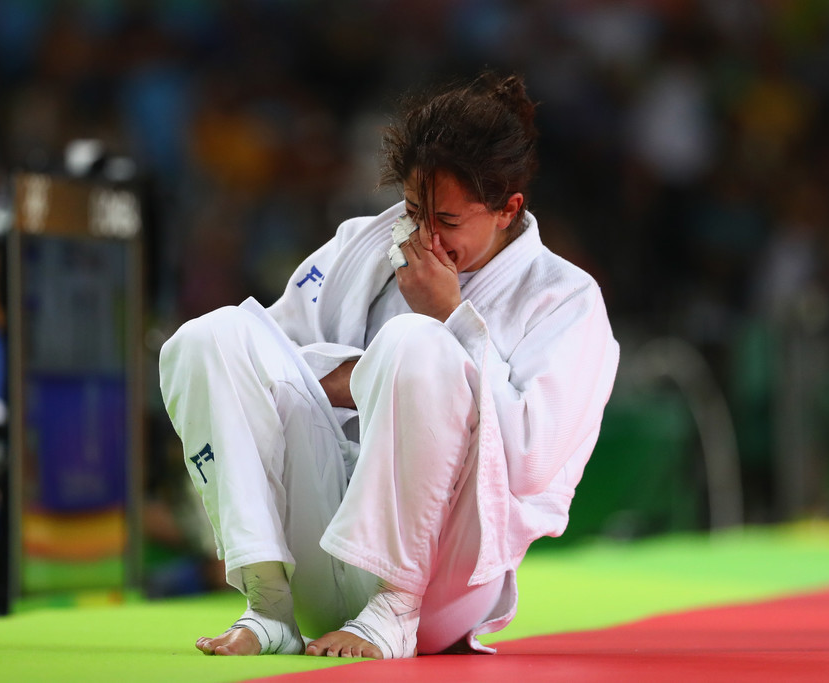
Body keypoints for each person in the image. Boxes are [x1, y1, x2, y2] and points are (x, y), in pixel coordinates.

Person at [159, 72, 620, 659]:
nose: (423, 236)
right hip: (321, 552)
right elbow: (260, 370)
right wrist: (367, 379)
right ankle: (267, 604)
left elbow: (531, 462)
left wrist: (450, 318)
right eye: (413, 209)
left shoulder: (564, 298)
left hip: (442, 582)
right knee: (208, 338)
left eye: (447, 222)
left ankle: (392, 607)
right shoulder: (364, 243)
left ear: (508, 209)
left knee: (415, 341)